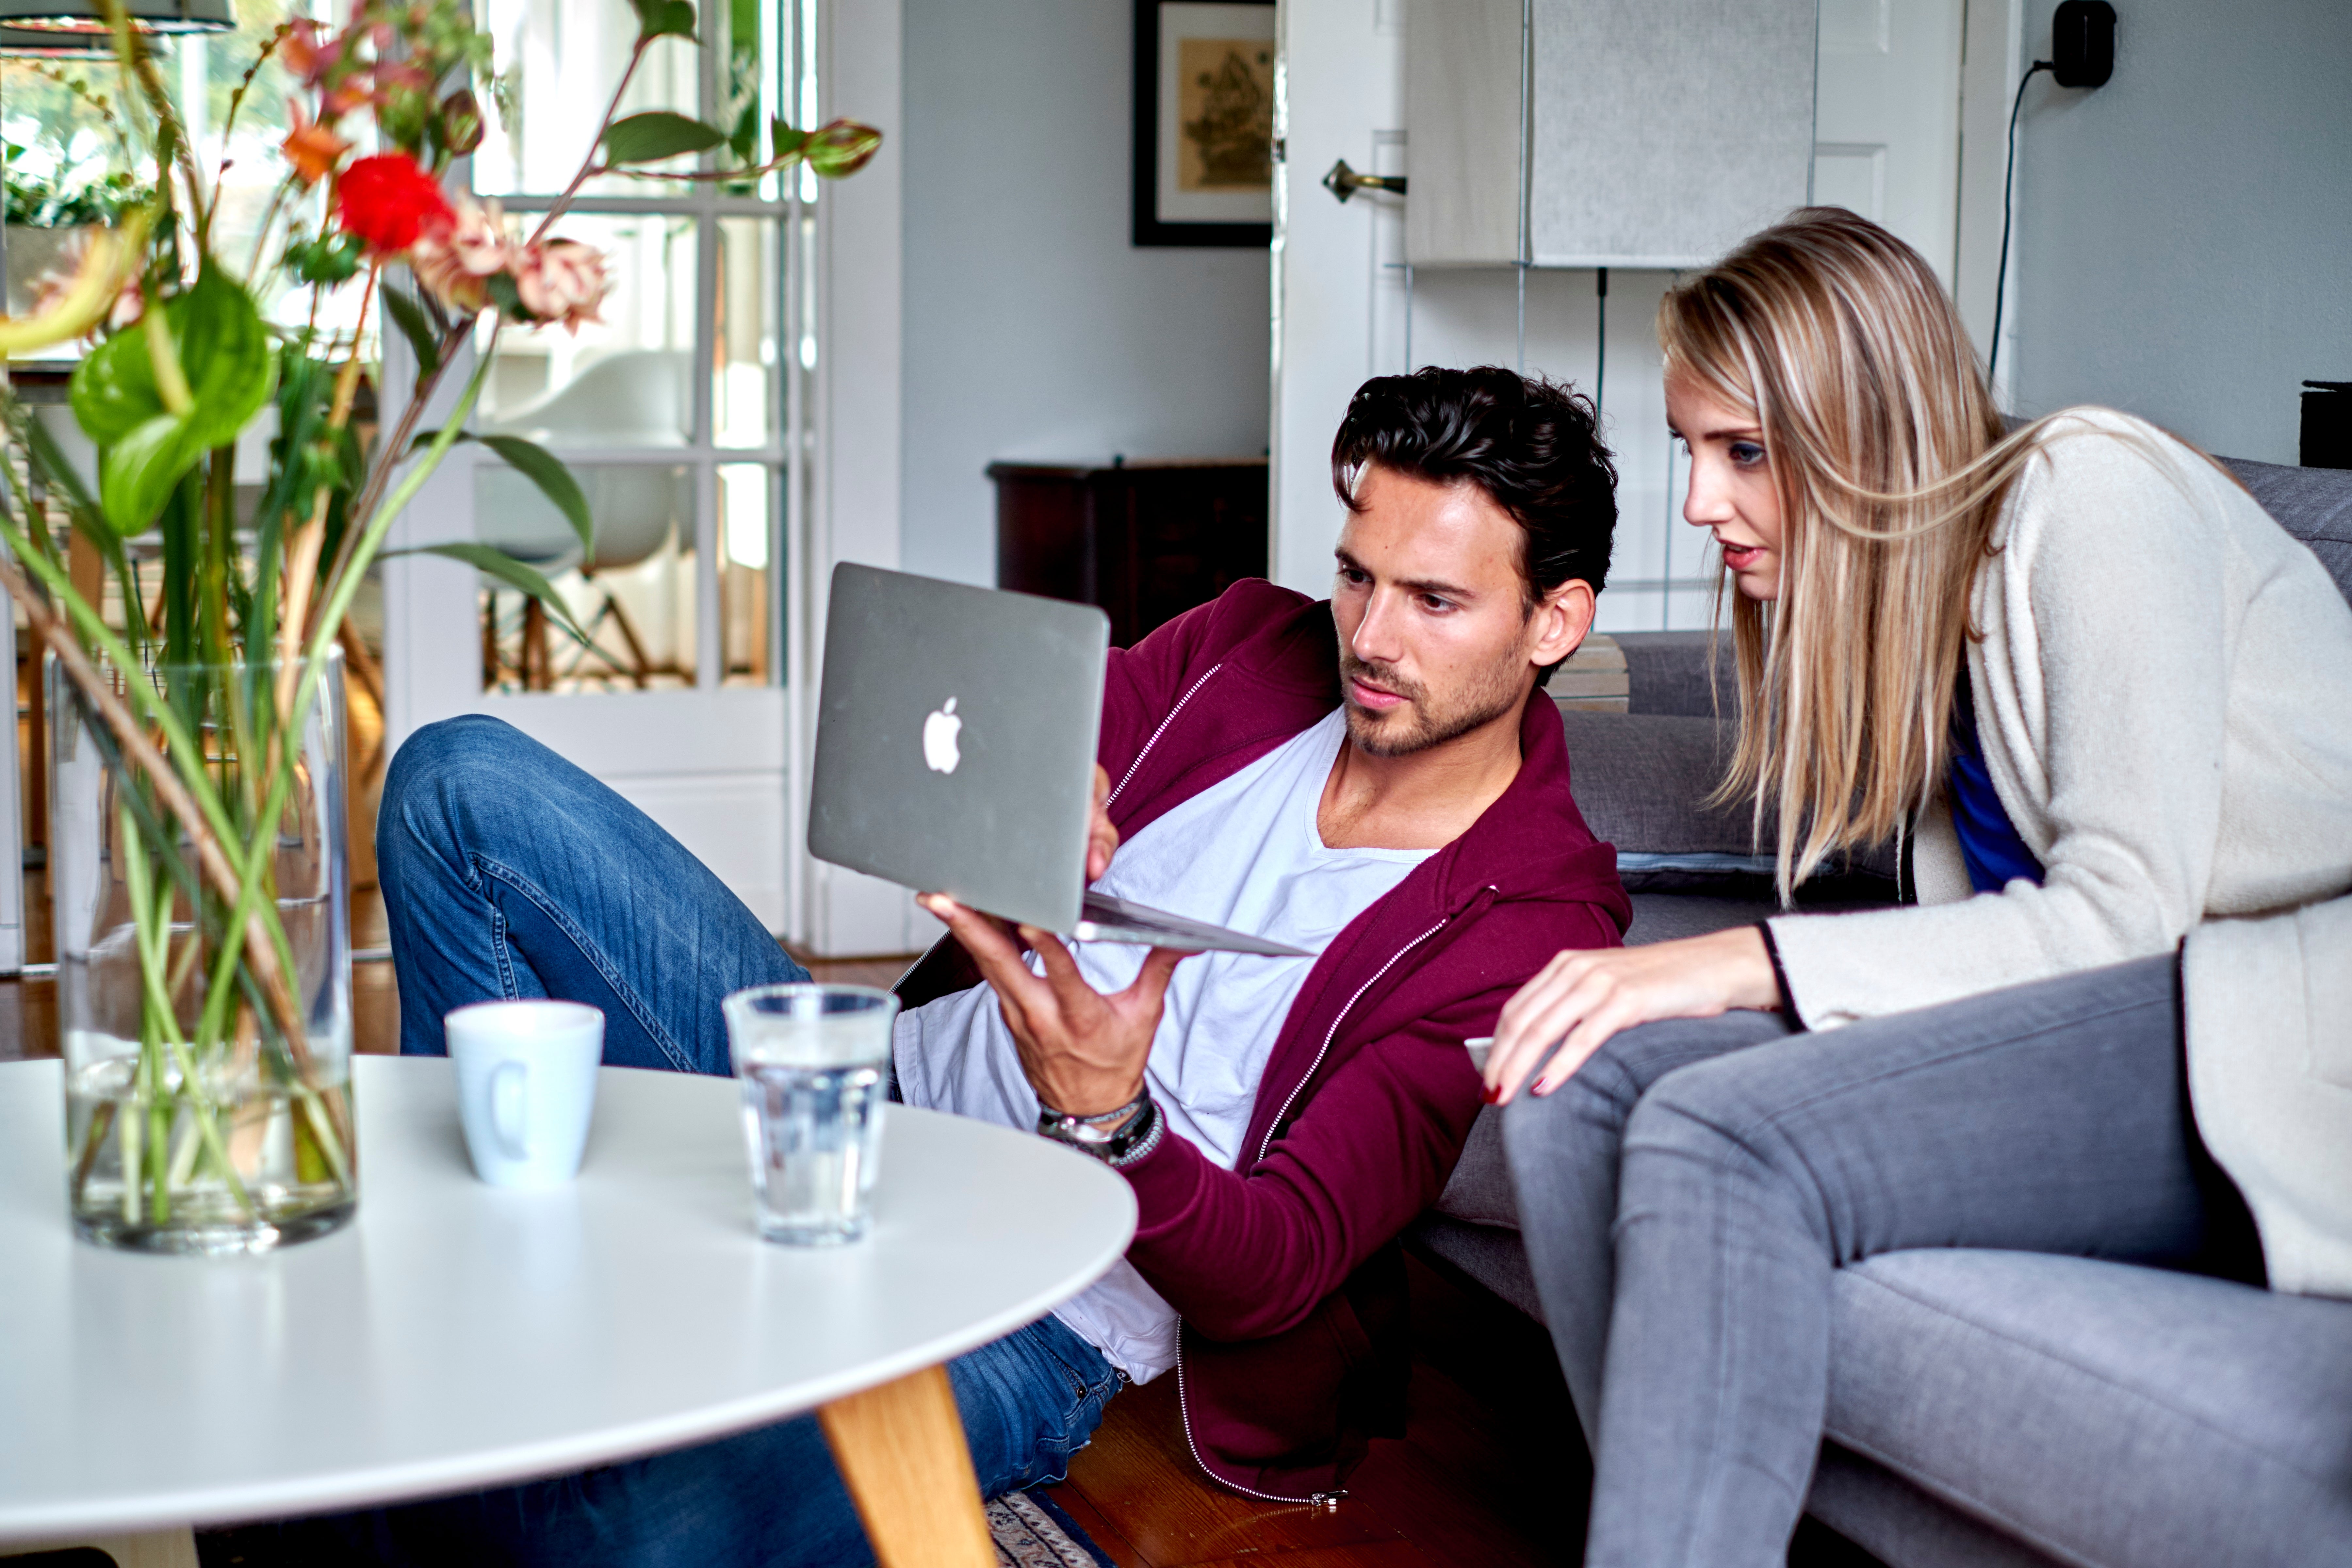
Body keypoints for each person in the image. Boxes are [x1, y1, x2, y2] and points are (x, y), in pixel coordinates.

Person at [286, 364, 1630, 1566]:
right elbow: (1027, 745)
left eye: (1436, 601)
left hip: (1029, 1312)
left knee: (608, 1533)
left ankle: (424, 1415)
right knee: (459, 781)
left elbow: (1283, 1263)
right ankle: (483, 1281)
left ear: (1555, 621)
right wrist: (1030, 794)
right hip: (844, 1100)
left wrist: (1117, 1119)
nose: (1371, 639)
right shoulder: (1250, 649)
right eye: (1359, 575)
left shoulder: (1533, 927)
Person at [1486, 207, 2352, 1566]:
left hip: (2266, 1015)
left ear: (1865, 425)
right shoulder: (1896, 611)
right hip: (2104, 1016)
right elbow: (1975, 933)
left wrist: (1731, 962)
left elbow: (2131, 919)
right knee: (1574, 1081)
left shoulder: (2090, 489)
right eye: (1693, 453)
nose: (1703, 503)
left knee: (1721, 1139)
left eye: (1747, 453)